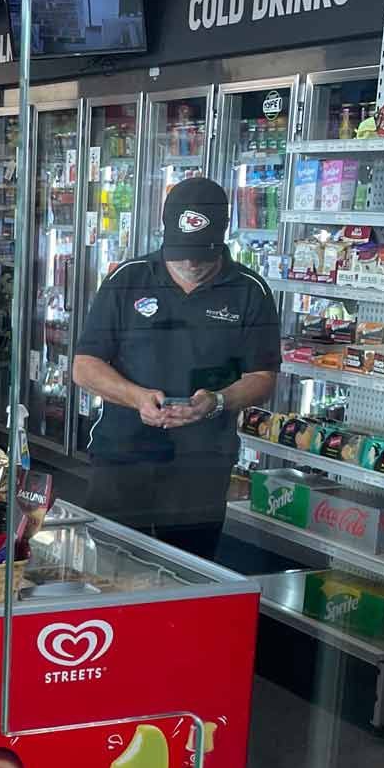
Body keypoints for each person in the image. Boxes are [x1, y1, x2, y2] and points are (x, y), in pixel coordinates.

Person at [71, 175, 281, 560]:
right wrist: (137, 398)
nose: (189, 263)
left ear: (222, 239)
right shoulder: (127, 279)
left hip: (202, 463)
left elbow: (263, 377)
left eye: (201, 255)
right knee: (107, 567)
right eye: (180, 252)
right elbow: (84, 366)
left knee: (190, 574)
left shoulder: (252, 291)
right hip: (123, 456)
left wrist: (217, 400)